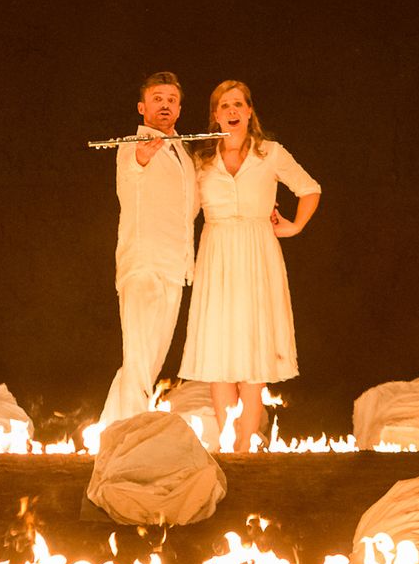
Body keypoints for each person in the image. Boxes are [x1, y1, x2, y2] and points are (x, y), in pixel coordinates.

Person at [179, 80, 320, 450]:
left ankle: (246, 451)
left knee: (254, 355)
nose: (231, 111)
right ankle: (228, 448)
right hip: (217, 253)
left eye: (238, 104)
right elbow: (184, 211)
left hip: (258, 253)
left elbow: (309, 188)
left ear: (249, 110)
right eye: (224, 105)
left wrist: (294, 227)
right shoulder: (202, 160)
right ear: (214, 114)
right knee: (219, 353)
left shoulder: (270, 153)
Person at [98, 72, 199, 426]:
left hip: (176, 267)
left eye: (171, 99)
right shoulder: (131, 145)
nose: (165, 105)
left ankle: (114, 432)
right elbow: (130, 176)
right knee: (140, 359)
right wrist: (140, 159)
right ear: (142, 107)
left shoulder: (185, 155)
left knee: (147, 362)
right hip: (143, 264)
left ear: (180, 108)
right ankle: (131, 440)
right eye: (157, 98)